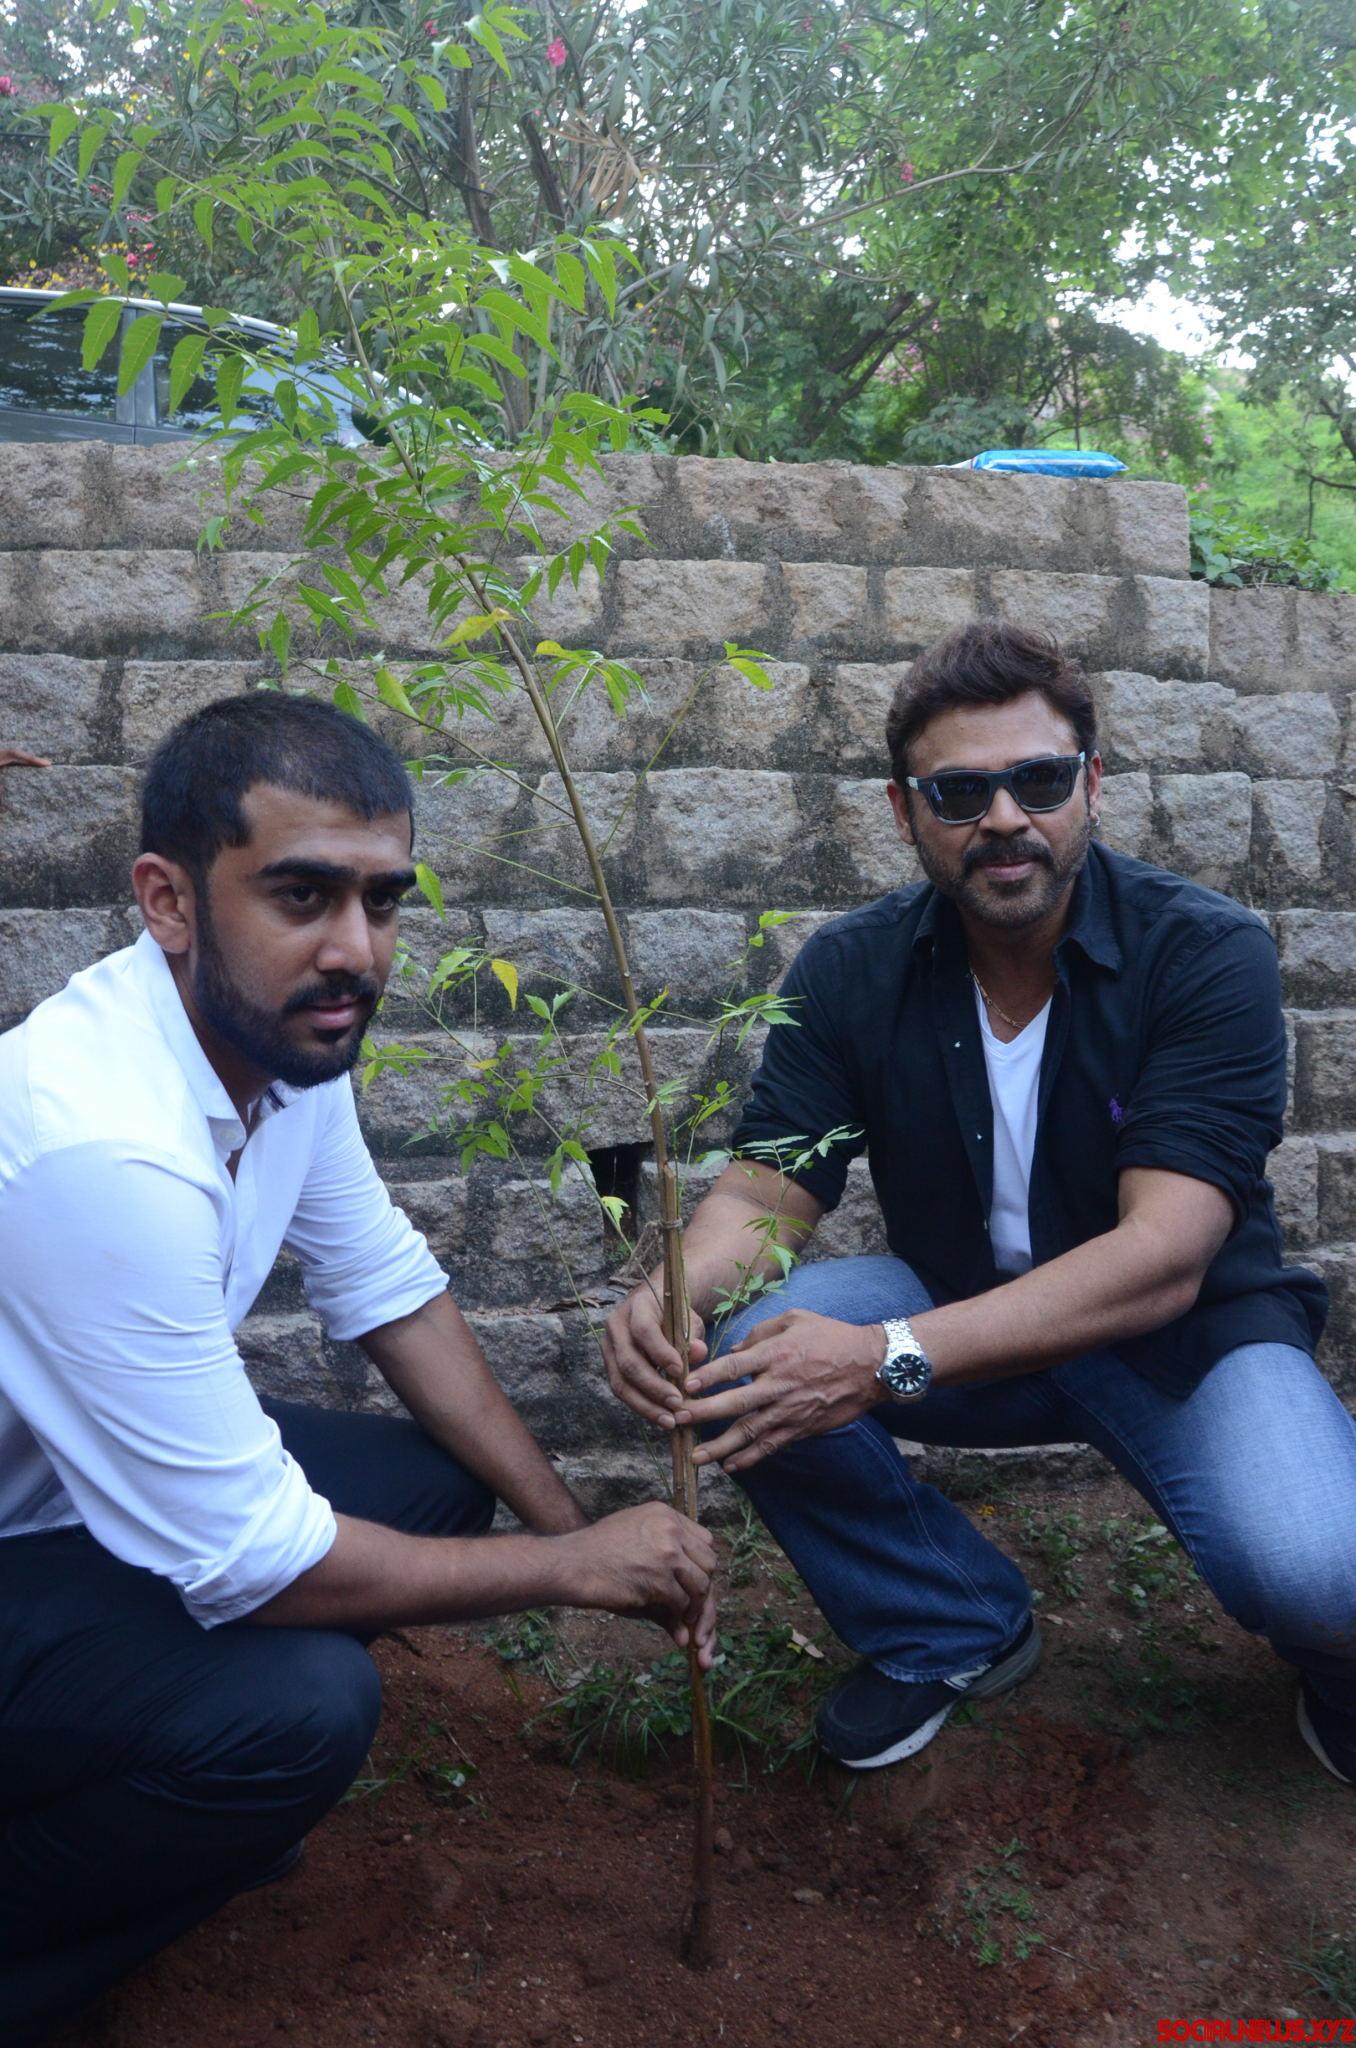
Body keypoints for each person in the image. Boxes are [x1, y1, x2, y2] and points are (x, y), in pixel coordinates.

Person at [0, 694, 716, 2046]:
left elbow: (390, 1293)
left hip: (58, 1505)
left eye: (382, 901)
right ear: (167, 898)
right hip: (20, 1542)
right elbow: (255, 1562)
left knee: (434, 1483)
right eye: (303, 894)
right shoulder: (102, 1144)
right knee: (305, 1708)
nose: (356, 950)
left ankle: (174, 1783)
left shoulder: (283, 1049)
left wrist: (572, 1523)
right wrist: (573, 1568)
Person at [604, 620, 1354, 1786]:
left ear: (1092, 785)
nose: (1004, 817)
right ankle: (951, 1620)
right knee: (739, 1359)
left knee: (1320, 1568)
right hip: (963, 1316)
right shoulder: (852, 969)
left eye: (1038, 779)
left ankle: (1342, 1666)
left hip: (1185, 1340)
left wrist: (884, 1356)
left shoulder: (1205, 954)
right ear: (905, 812)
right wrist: (673, 1293)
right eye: (959, 791)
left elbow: (1165, 1254)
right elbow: (770, 1188)